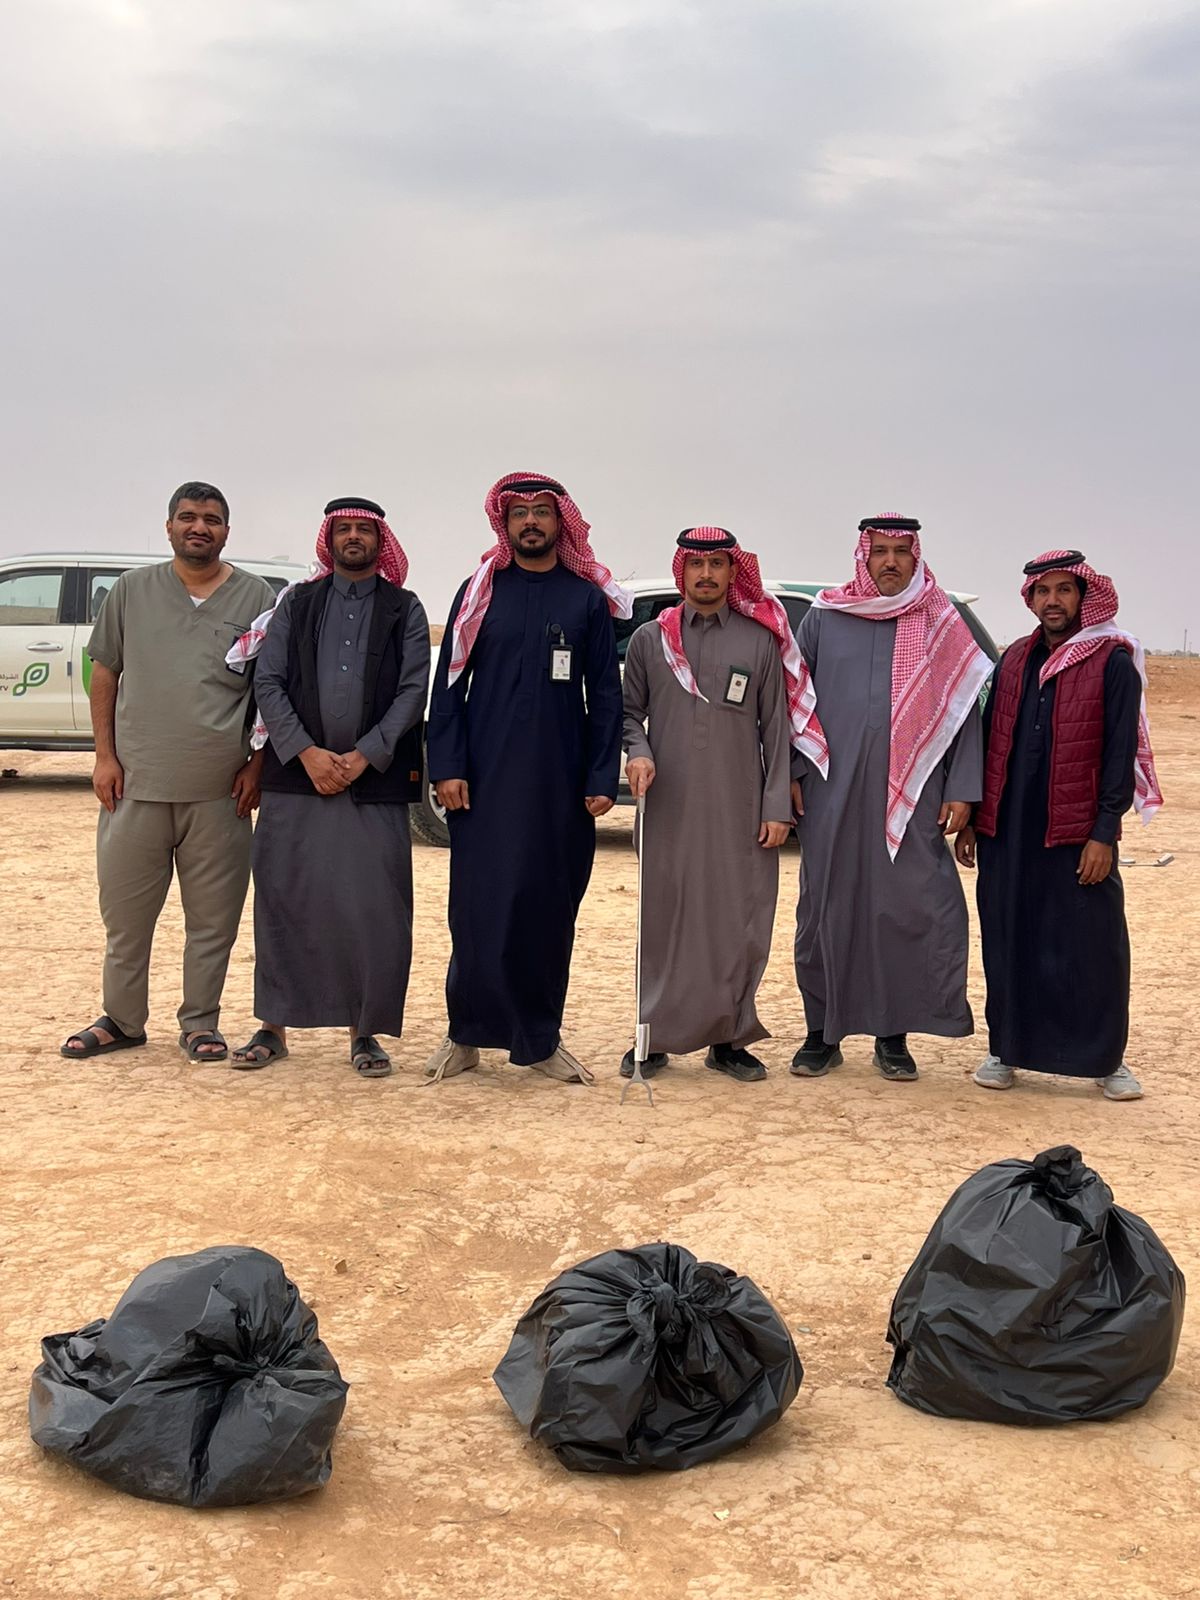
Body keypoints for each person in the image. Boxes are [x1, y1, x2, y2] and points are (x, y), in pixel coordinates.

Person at [424, 471, 628, 1084]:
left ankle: (540, 1040)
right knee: (477, 909)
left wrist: (600, 776)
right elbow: (449, 685)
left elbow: (606, 696)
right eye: (520, 513)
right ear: (504, 522)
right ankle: (465, 1036)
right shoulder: (479, 592)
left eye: (542, 512)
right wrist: (448, 767)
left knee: (547, 909)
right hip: (483, 781)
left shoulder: (584, 599)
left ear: (560, 522)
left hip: (558, 784)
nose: (531, 522)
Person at [61, 481, 276, 1063]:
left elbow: (270, 688)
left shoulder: (256, 596)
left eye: (211, 519)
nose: (198, 527)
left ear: (226, 531)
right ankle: (122, 1020)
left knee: (213, 922)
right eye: (187, 517)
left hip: (220, 793)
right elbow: (105, 672)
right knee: (126, 919)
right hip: (136, 785)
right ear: (169, 526)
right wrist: (104, 756)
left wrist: (257, 765)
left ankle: (200, 1023)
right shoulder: (131, 591)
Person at [229, 498, 430, 1078]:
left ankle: (364, 1033)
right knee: (284, 899)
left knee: (373, 909)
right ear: (329, 538)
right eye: (344, 529)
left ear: (380, 541)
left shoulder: (404, 609)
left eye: (364, 530)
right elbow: (268, 682)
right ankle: (272, 1027)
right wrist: (307, 753)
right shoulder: (298, 602)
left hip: (373, 784)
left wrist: (364, 756)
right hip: (297, 780)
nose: (353, 538)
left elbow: (413, 691)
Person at [790, 514, 992, 1082]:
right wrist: (789, 774)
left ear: (915, 556)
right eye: (880, 551)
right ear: (864, 555)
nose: (890, 562)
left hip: (916, 791)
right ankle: (821, 1034)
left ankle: (893, 1035)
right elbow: (793, 702)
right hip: (830, 790)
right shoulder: (826, 617)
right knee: (825, 909)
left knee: (905, 910)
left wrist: (963, 790)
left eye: (901, 552)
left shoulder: (940, 621)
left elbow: (962, 710)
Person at [621, 525, 826, 1082]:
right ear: (681, 570)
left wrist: (775, 807)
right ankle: (652, 1035)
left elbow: (777, 730)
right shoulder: (650, 640)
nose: (706, 575)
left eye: (717, 564)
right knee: (664, 919)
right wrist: (638, 752)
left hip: (740, 808)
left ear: (734, 572)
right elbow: (627, 714)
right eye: (696, 564)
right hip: (668, 807)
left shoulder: (759, 641)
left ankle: (729, 1040)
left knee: (739, 922)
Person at [957, 550, 1162, 1100]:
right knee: (1008, 938)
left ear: (1082, 596)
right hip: (1008, 830)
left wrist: (1104, 833)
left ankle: (1105, 1061)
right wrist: (975, 817)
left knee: (1092, 946)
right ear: (1030, 599)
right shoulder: (1014, 659)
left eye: (1064, 590)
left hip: (1075, 833)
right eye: (1043, 592)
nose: (1053, 601)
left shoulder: (1112, 661)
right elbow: (988, 737)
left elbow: (1118, 753)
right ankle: (1006, 1050)